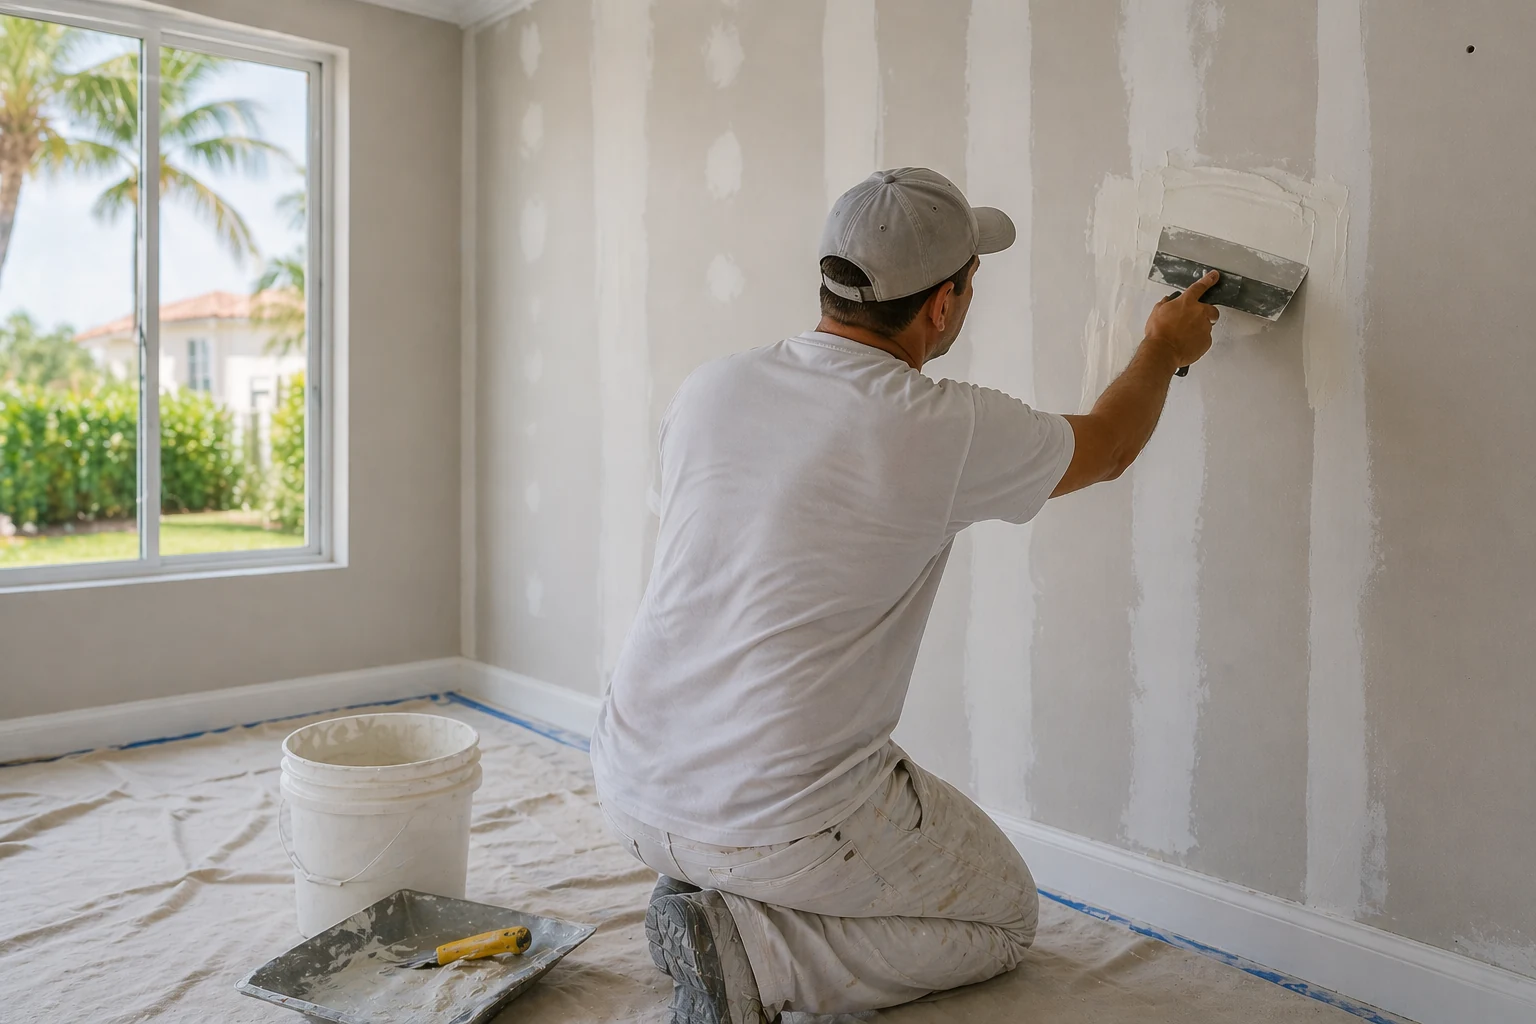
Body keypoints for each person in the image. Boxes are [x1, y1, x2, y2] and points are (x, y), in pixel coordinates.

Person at [589, 167, 1220, 1024]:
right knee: (1001, 917)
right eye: (970, 281)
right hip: (774, 818)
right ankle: (756, 957)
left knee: (769, 825)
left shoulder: (712, 387)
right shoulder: (936, 428)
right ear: (943, 307)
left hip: (627, 781)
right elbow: (1107, 447)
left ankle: (717, 890)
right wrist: (1163, 347)